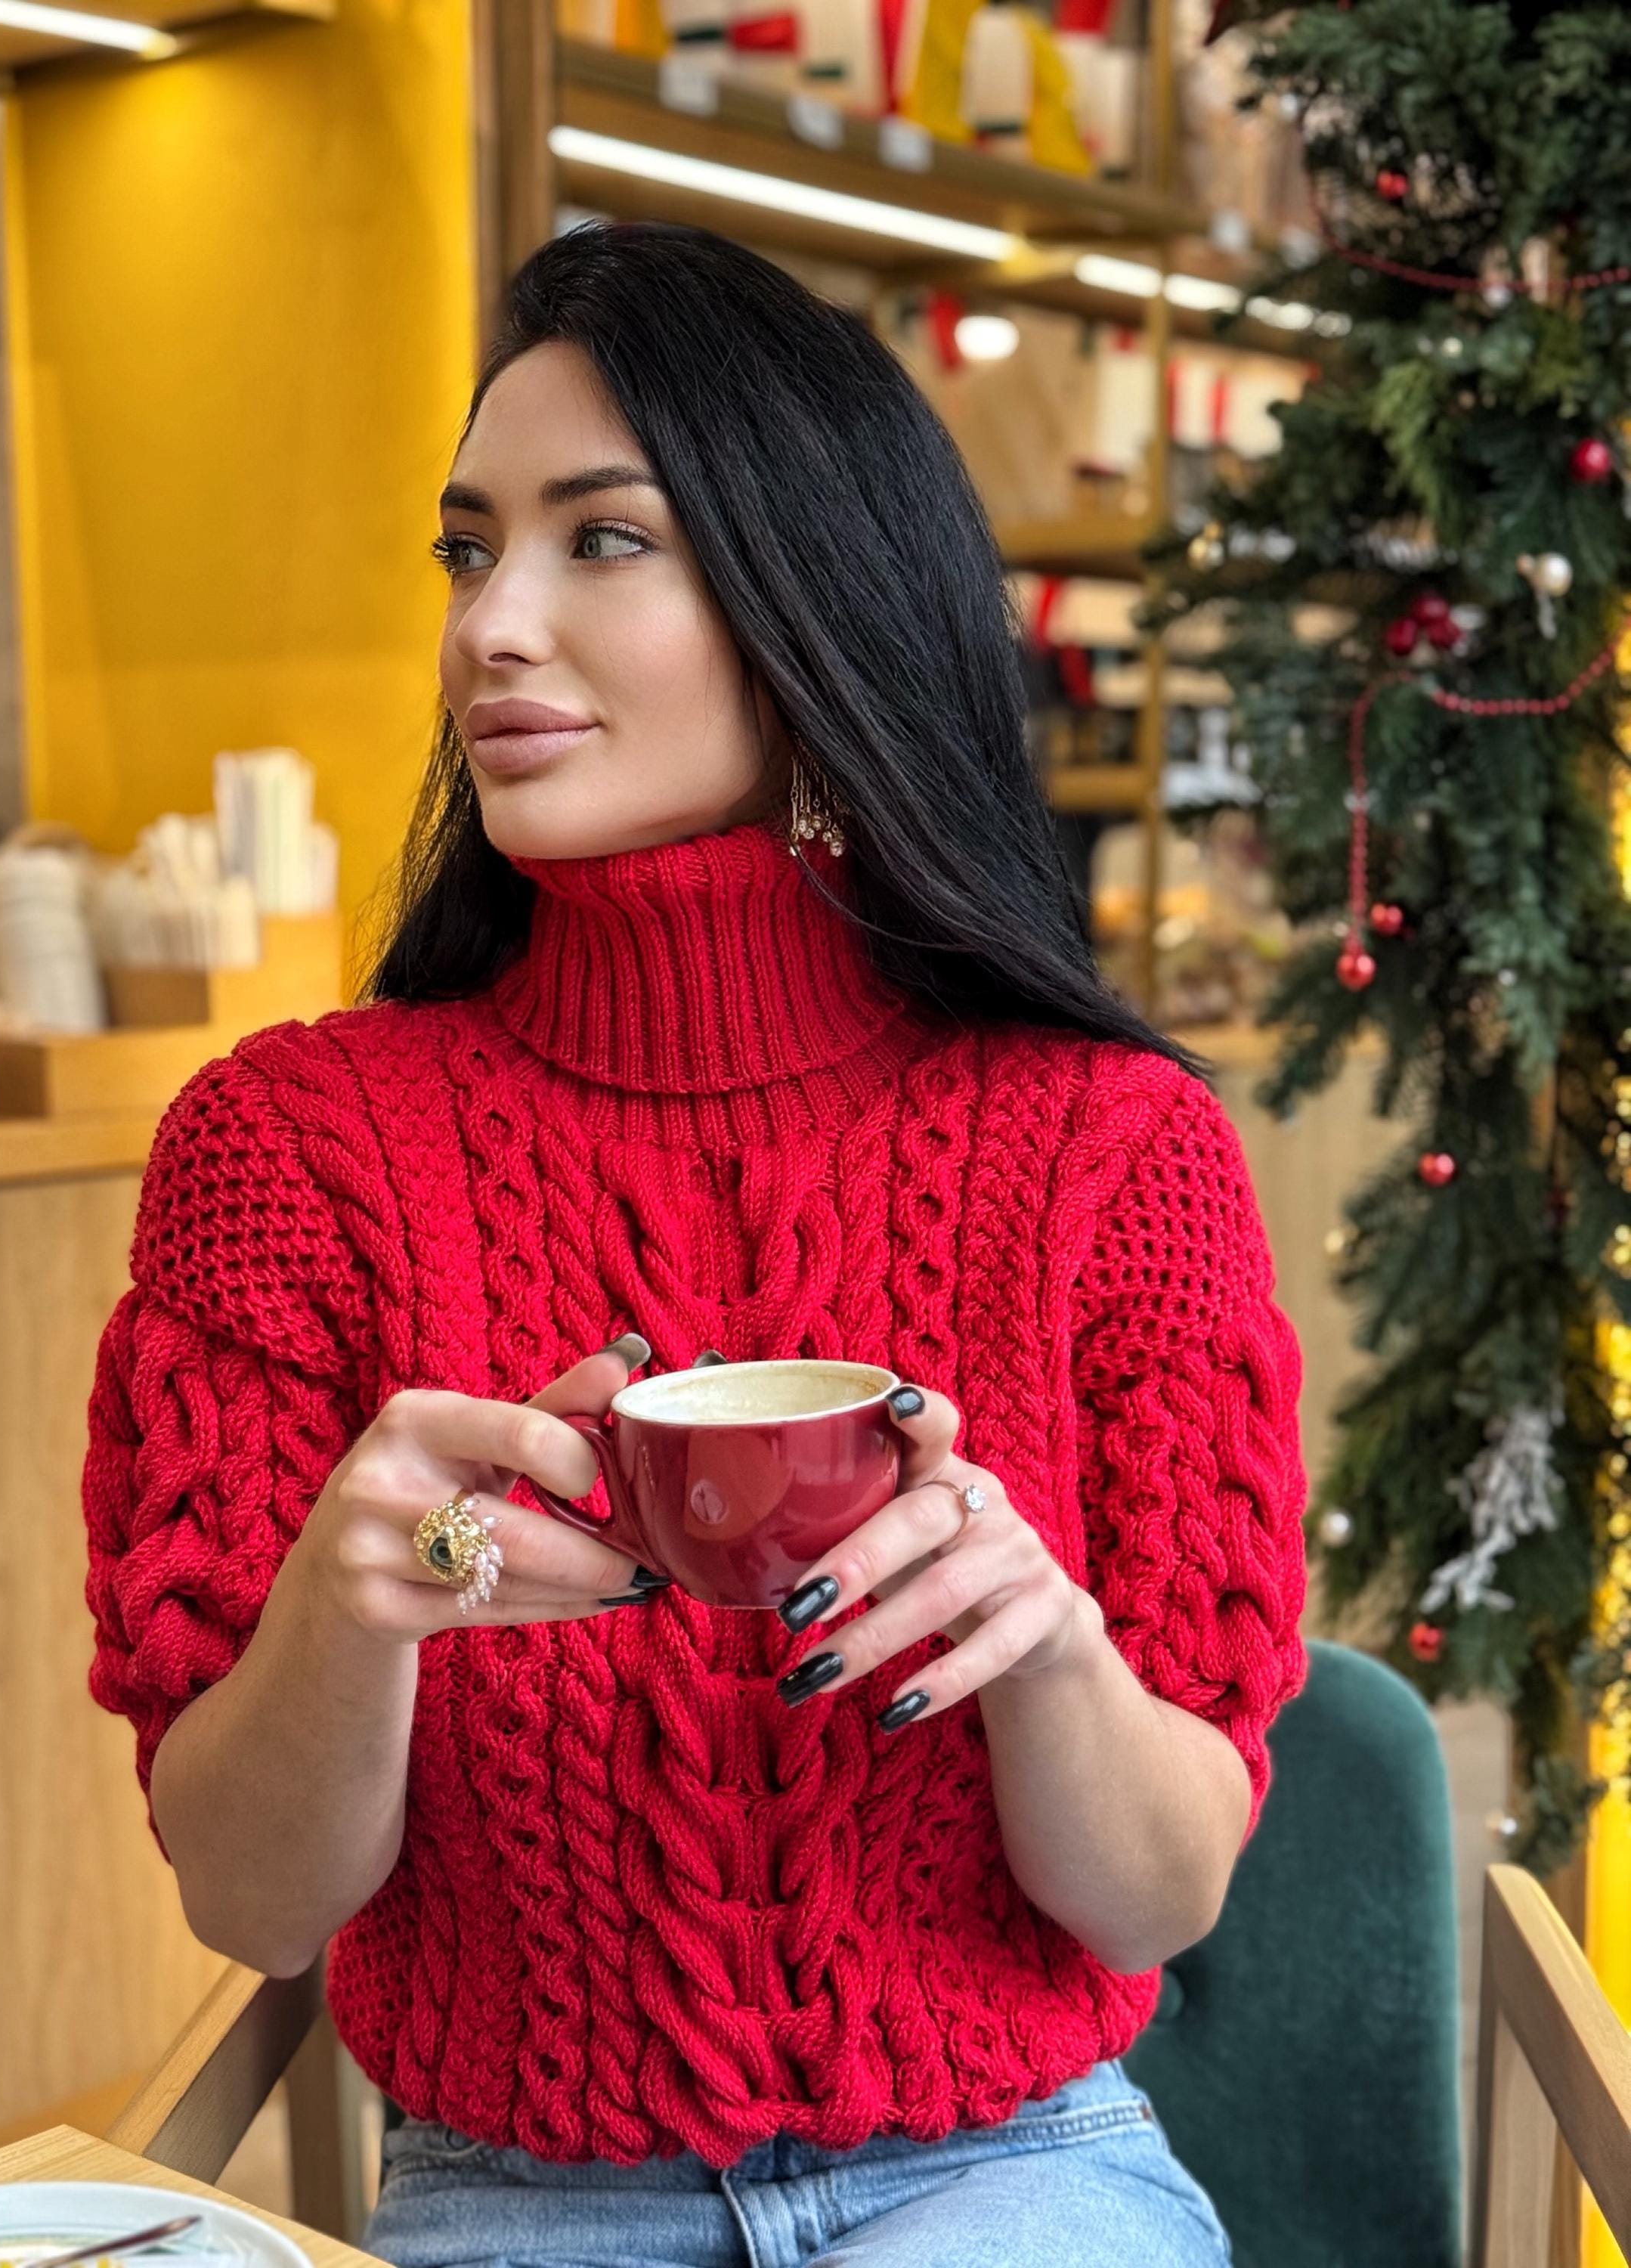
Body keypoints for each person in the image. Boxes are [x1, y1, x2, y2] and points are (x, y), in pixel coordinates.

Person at [82, 219, 1309, 2268]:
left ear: (810, 593)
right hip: (508, 2196)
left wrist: (1040, 1638)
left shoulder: (1116, 1153)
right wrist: (354, 1602)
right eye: (469, 549)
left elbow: (1153, 1899)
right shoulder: (282, 1150)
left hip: (1008, 2172)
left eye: (603, 541)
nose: (495, 625)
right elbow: (252, 1903)